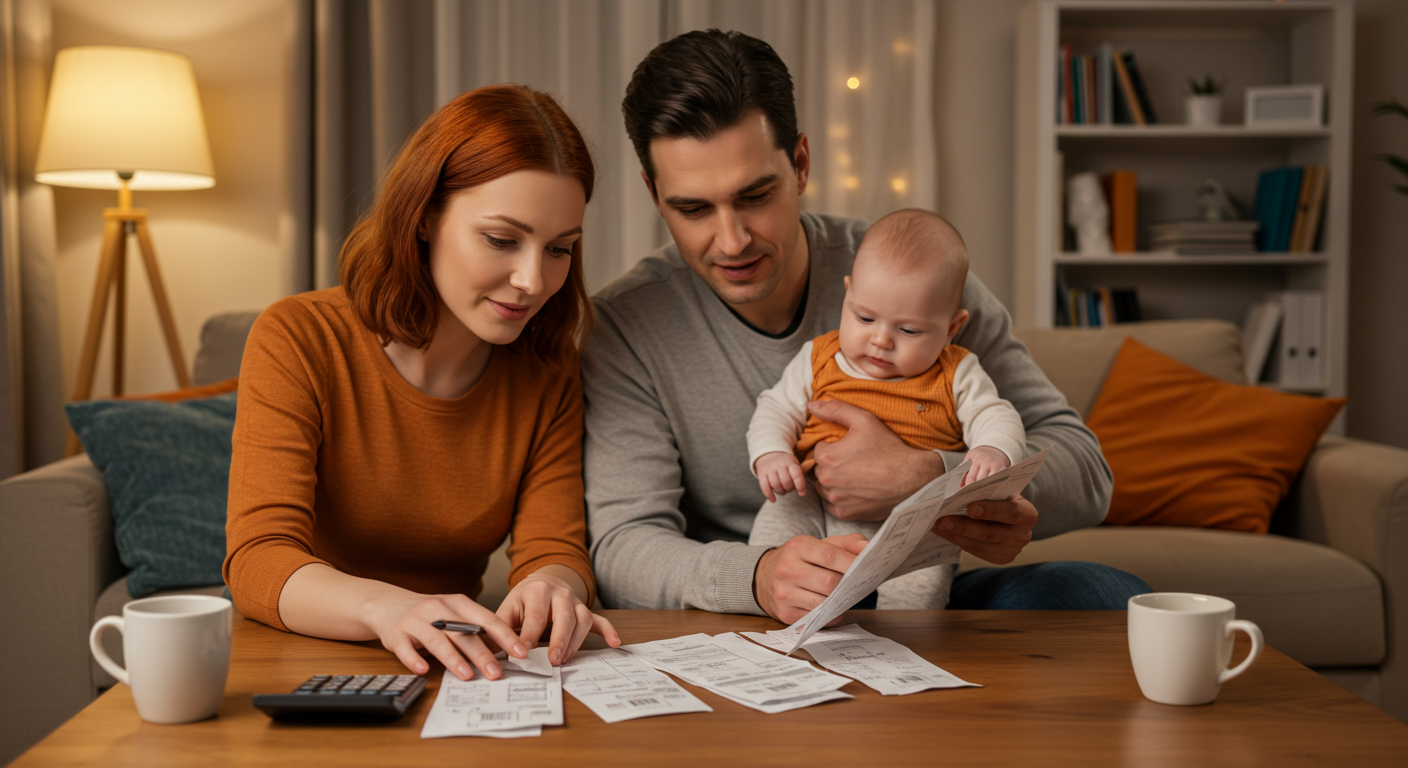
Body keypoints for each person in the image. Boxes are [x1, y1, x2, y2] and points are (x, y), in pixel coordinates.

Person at [584, 29, 1149, 623]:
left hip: (916, 585)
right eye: (693, 208)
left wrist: (935, 478)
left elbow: (1087, 472)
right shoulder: (625, 327)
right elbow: (622, 548)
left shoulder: (911, 276)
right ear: (653, 193)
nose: (732, 241)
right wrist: (758, 577)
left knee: (1109, 595)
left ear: (800, 164)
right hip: (749, 609)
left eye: (755, 195)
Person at [225, 84, 620, 683]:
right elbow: (257, 559)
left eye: (561, 249)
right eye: (501, 239)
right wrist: (388, 608)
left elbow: (552, 548)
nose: (533, 280)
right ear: (426, 216)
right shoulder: (299, 337)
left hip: (457, 666)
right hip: (310, 655)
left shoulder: (546, 370)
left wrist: (552, 588)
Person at [746, 209, 1026, 610]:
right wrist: (771, 453)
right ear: (847, 293)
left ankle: (903, 651)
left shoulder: (956, 371)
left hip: (915, 515)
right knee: (779, 532)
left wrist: (992, 450)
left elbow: (995, 415)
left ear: (951, 328)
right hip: (812, 495)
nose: (880, 340)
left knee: (917, 596)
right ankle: (777, 627)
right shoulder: (819, 358)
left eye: (908, 330)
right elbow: (776, 409)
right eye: (864, 317)